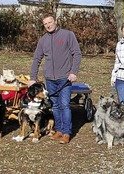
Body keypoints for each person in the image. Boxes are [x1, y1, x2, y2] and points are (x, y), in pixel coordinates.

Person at [30, 13, 82, 144]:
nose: (48, 25)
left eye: (50, 22)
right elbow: (37, 58)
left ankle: (66, 132)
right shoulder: (43, 40)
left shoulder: (67, 35)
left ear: (55, 21)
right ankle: (59, 130)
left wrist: (73, 72)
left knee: (64, 105)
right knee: (55, 106)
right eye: (45, 24)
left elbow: (77, 53)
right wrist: (32, 77)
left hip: (65, 77)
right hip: (50, 79)